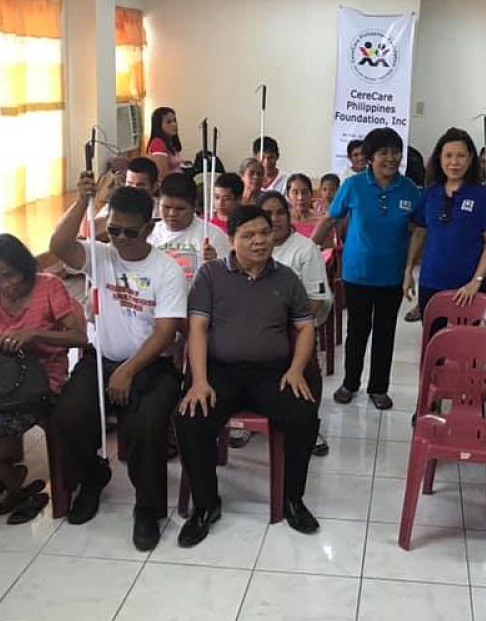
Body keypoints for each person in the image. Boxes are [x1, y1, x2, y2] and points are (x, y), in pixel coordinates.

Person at [50, 180, 187, 551]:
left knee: (146, 427)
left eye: (129, 231)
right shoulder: (101, 255)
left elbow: (165, 333)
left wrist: (128, 370)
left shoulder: (166, 270)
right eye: (113, 229)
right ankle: (94, 477)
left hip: (152, 366)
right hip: (100, 361)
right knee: (67, 416)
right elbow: (58, 247)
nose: (121, 238)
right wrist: (81, 200)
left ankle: (148, 509)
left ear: (147, 228)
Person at [177, 206, 320, 545]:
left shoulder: (286, 278)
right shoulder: (210, 275)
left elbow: (305, 327)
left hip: (271, 374)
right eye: (249, 235)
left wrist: (297, 369)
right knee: (190, 418)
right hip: (219, 373)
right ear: (231, 240)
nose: (259, 241)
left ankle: (292, 499)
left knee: (303, 414)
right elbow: (196, 328)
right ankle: (205, 506)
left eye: (265, 233)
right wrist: (198, 381)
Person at [0, 234, 87, 522]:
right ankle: (10, 476)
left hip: (41, 378)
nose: (4, 284)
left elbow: (79, 337)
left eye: (10, 274)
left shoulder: (49, 287)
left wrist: (33, 334)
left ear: (23, 266)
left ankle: (8, 475)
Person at [312, 127, 420, 411]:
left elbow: (418, 232)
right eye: (383, 152)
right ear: (370, 158)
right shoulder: (354, 185)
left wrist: (409, 270)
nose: (391, 158)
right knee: (357, 332)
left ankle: (379, 388)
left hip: (392, 276)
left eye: (395, 152)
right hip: (357, 273)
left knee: (385, 333)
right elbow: (331, 218)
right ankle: (350, 383)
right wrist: (308, 248)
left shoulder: (409, 189)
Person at [258, 192, 332, 454]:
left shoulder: (305, 249)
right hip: (256, 328)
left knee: (306, 364)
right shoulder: (252, 245)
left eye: (280, 212)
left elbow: (315, 301)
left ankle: (309, 426)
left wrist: (286, 326)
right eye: (268, 214)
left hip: (293, 327)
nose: (275, 219)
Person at [405, 127, 486, 317]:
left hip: (468, 287)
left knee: (465, 343)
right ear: (439, 158)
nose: (454, 162)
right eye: (448, 156)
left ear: (471, 158)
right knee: (433, 342)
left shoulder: (482, 195)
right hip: (431, 282)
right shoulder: (430, 193)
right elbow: (419, 234)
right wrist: (408, 271)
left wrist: (477, 281)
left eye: (461, 156)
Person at [148, 173, 231, 281]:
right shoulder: (149, 233)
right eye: (166, 207)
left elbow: (227, 279)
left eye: (180, 209)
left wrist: (215, 264)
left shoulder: (213, 236)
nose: (172, 213)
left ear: (194, 206)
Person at [286, 174, 330, 246]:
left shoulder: (321, 220)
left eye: (304, 192)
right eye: (295, 193)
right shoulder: (283, 220)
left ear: (311, 194)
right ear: (288, 195)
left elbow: (328, 250)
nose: (300, 197)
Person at [146, 106, 184, 179]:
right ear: (159, 125)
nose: (174, 124)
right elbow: (162, 176)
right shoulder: (158, 143)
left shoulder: (170, 143)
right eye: (169, 122)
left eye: (174, 121)